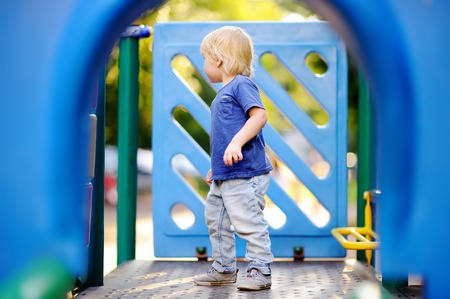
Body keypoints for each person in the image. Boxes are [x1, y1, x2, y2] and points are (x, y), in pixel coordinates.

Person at [193, 26, 274, 291]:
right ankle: (224, 268)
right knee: (215, 219)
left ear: (218, 60)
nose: (204, 65)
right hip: (225, 174)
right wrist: (215, 168)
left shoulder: (241, 84)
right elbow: (224, 137)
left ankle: (260, 269)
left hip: (246, 173)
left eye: (205, 59)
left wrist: (238, 142)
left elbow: (259, 116)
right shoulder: (225, 92)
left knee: (249, 222)